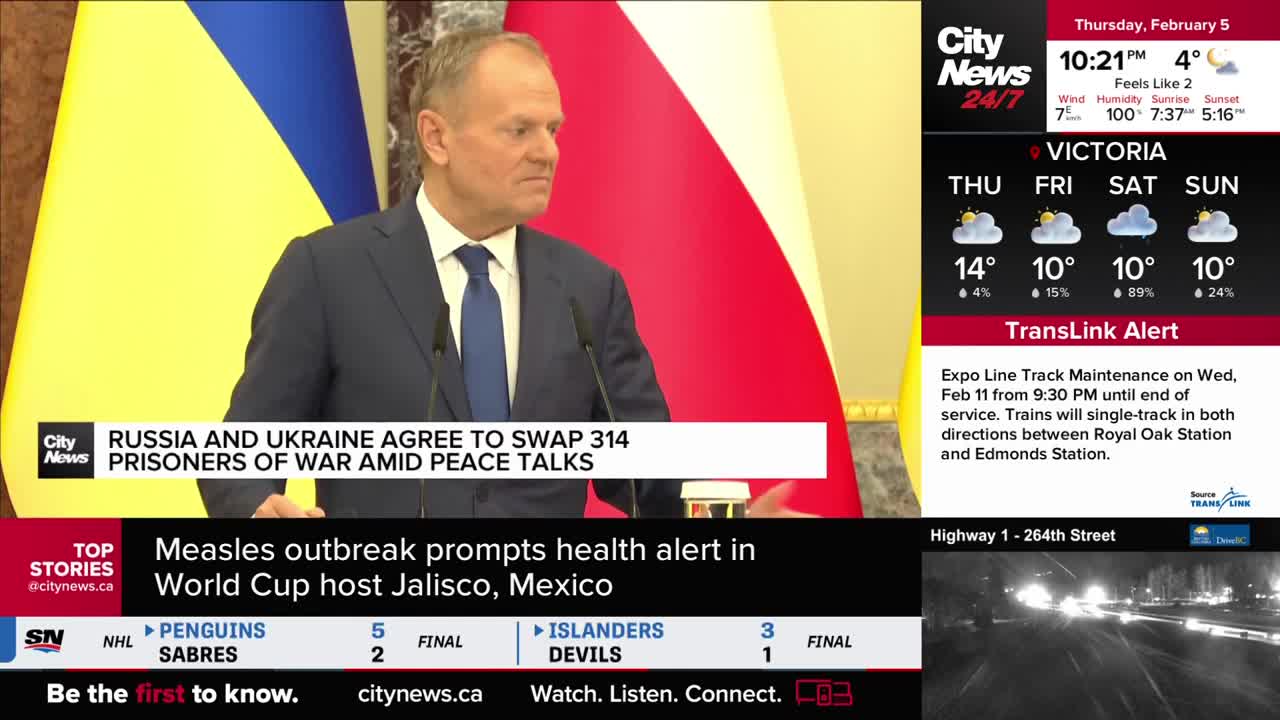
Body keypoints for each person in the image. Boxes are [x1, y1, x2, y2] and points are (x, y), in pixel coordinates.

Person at [198, 29, 808, 519]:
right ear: (436, 137)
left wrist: (735, 524)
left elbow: (648, 470)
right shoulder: (327, 272)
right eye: (519, 130)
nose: (547, 151)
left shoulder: (589, 290)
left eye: (552, 130)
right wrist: (257, 511)